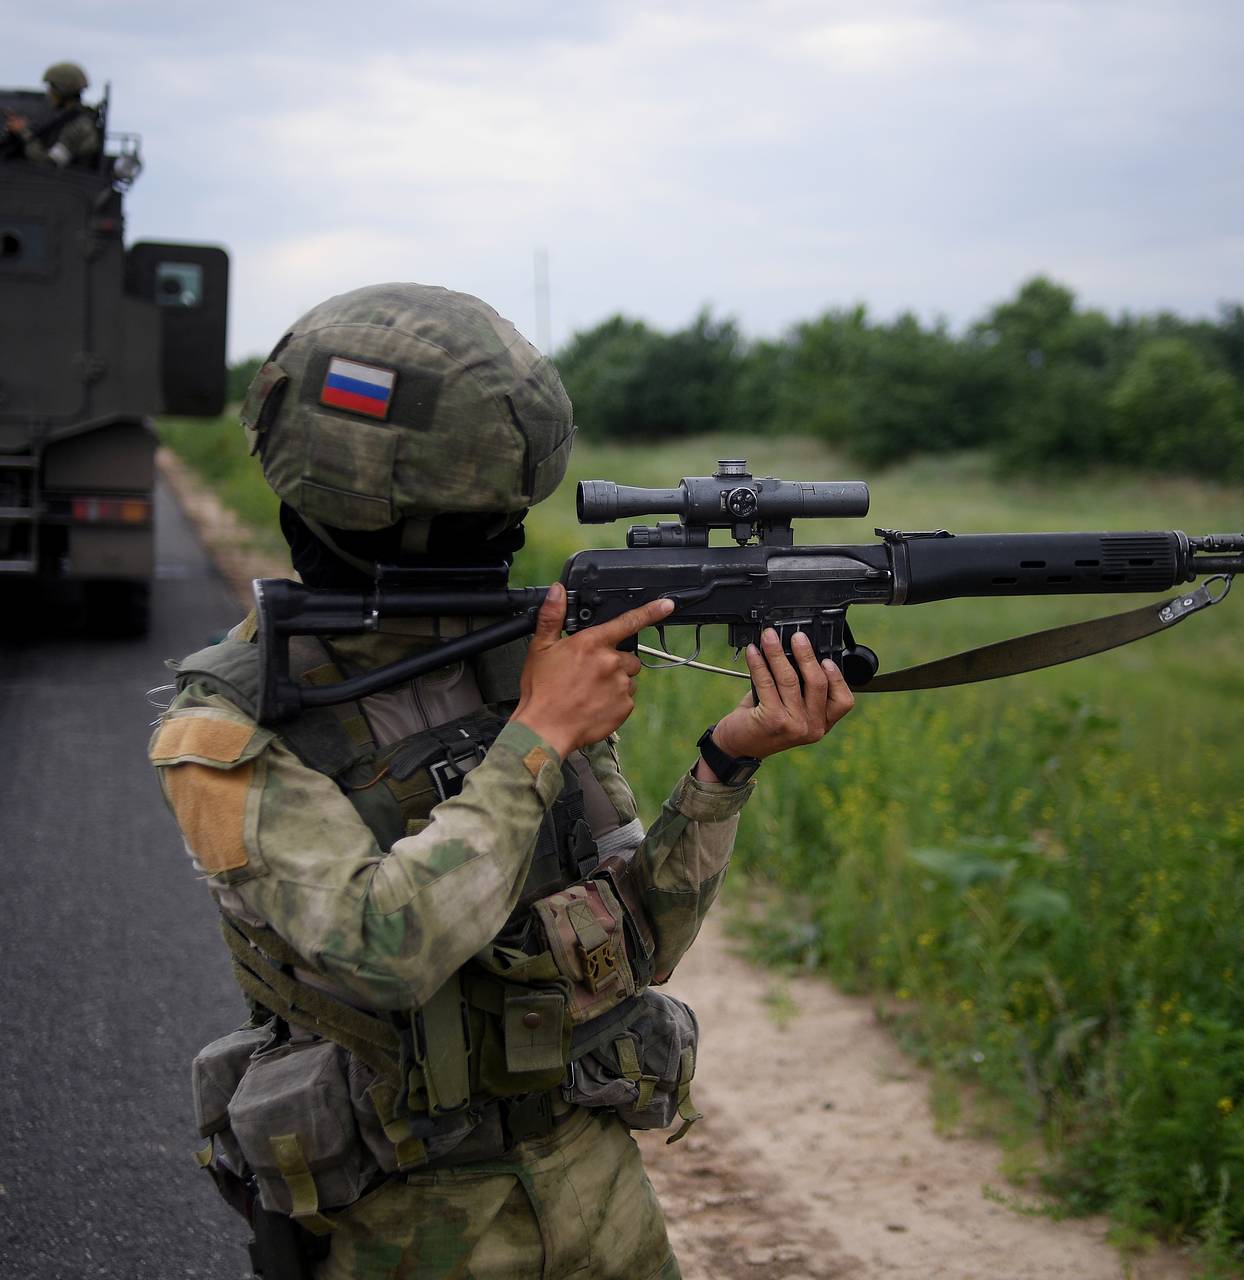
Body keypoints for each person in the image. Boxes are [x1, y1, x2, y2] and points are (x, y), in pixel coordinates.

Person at [150, 283, 854, 1279]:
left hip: (595, 1192)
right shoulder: (226, 726)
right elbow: (380, 950)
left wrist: (725, 761)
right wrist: (538, 733)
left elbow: (635, 941)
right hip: (403, 1226)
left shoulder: (509, 662)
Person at [4, 62, 100, 168]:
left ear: (62, 91)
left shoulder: (80, 127)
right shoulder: (68, 118)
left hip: (67, 182)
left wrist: (23, 132)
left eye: (52, 89)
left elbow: (48, 164)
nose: (49, 93)